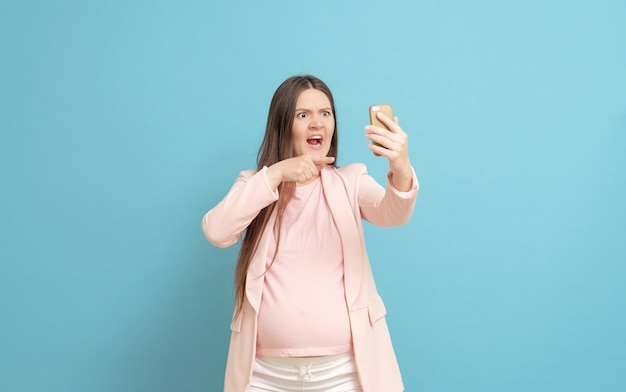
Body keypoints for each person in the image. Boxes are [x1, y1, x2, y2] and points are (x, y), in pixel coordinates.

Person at [202, 75, 418, 392]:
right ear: (282, 125)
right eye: (303, 115)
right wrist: (276, 174)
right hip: (265, 378)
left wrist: (400, 167)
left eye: (325, 113)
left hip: (343, 376)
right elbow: (217, 231)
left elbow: (393, 213)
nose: (317, 123)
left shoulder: (351, 180)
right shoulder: (256, 184)